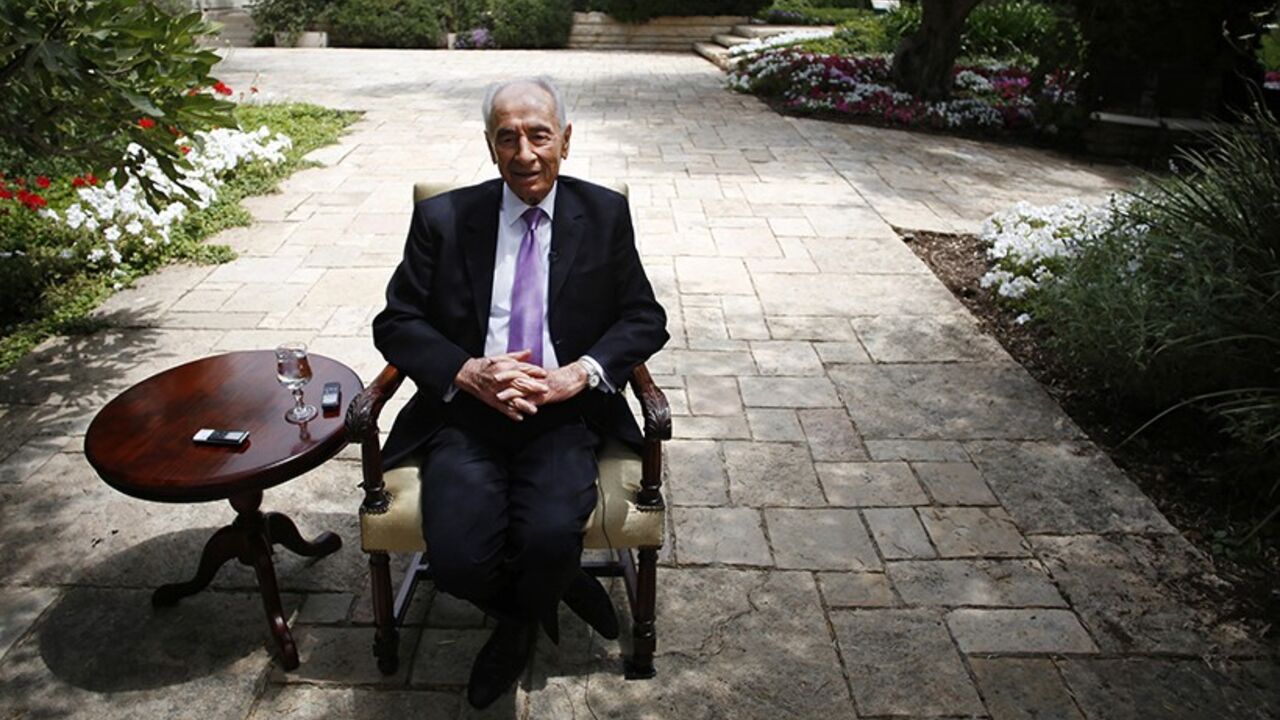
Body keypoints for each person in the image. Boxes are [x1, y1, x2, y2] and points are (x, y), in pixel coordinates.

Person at [371, 76, 668, 709]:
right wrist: (466, 370)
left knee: (549, 534)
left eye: (539, 135)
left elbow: (644, 318)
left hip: (565, 414)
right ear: (489, 145)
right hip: (468, 414)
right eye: (508, 138)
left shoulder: (604, 213)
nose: (525, 153)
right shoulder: (444, 218)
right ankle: (549, 593)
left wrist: (578, 373)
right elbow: (396, 322)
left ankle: (514, 628)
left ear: (565, 139)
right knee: (455, 560)